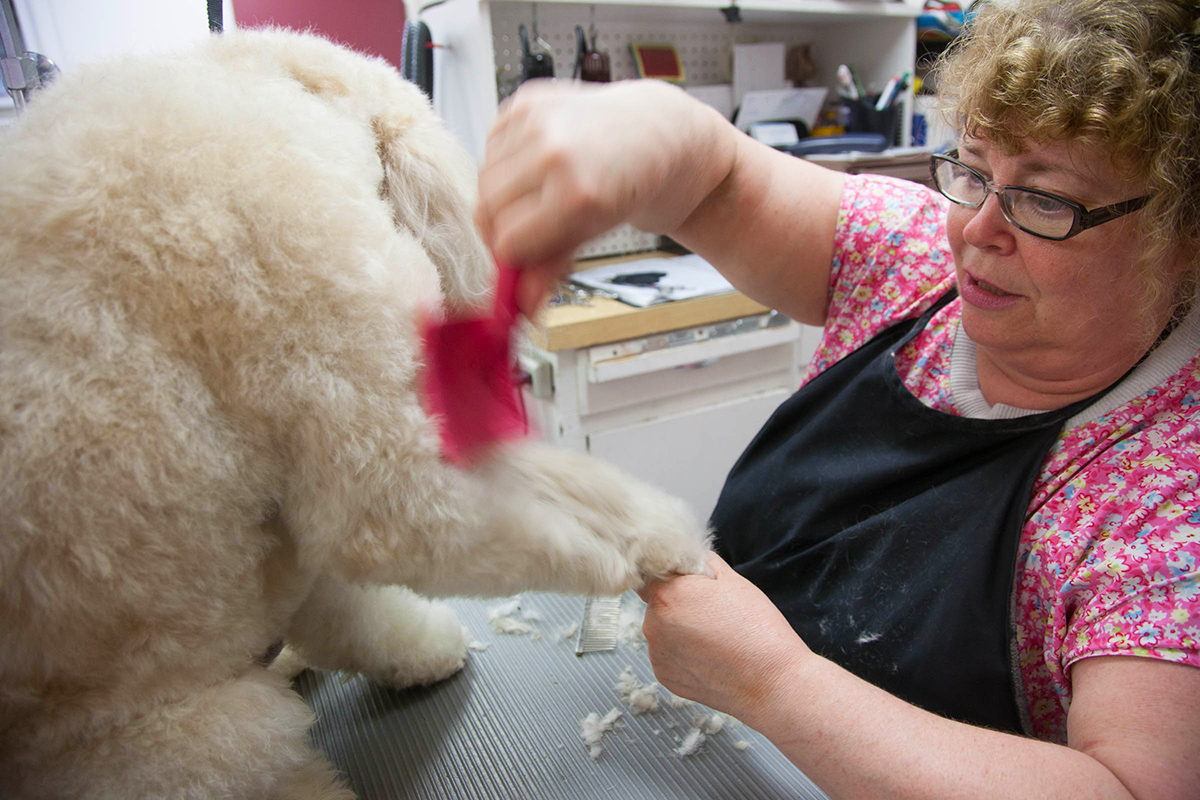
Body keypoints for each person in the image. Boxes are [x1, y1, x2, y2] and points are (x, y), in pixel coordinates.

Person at [475, 0, 1200, 796]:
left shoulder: (1170, 489)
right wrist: (639, 129)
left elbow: (1131, 789)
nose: (977, 231)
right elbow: (713, 177)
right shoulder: (914, 258)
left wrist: (777, 686)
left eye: (1045, 201)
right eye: (974, 167)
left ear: (1181, 233)